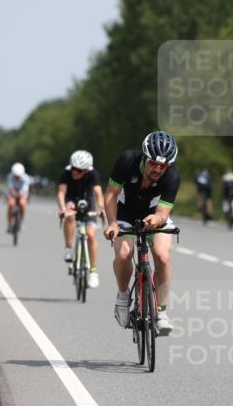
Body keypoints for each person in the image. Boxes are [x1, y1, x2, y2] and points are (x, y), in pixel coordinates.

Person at [103, 131, 180, 335]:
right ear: (145, 158)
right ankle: (123, 295)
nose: (157, 169)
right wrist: (112, 223)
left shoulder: (172, 176)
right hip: (125, 211)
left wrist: (156, 219)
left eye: (163, 166)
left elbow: (163, 212)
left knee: (163, 256)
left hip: (153, 215)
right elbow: (111, 194)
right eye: (153, 163)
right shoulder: (127, 160)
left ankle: (161, 312)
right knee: (123, 254)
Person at [57, 150, 104, 288]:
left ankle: (93, 271)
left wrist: (100, 208)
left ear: (86, 170)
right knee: (70, 216)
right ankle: (68, 247)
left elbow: (98, 193)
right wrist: (62, 209)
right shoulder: (66, 173)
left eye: (78, 170)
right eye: (73, 168)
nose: (74, 172)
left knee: (91, 236)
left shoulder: (93, 173)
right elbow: (61, 192)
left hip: (87, 201)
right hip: (71, 199)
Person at [6, 162, 30, 232]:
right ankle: (9, 224)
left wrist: (20, 195)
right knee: (11, 204)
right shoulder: (10, 177)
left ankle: (21, 221)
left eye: (19, 176)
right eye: (16, 176)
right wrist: (14, 194)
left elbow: (25, 189)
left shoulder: (26, 178)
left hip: (22, 193)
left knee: (22, 204)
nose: (17, 177)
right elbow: (10, 188)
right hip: (12, 193)